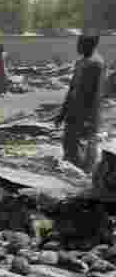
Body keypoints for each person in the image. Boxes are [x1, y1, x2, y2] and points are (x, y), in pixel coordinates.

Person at [56, 34, 106, 173]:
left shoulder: (97, 64)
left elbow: (96, 94)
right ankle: (71, 174)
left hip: (86, 116)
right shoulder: (80, 62)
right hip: (73, 112)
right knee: (69, 145)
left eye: (81, 43)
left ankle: (84, 177)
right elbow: (72, 89)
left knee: (84, 150)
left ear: (91, 44)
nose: (77, 46)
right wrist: (62, 113)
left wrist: (90, 119)